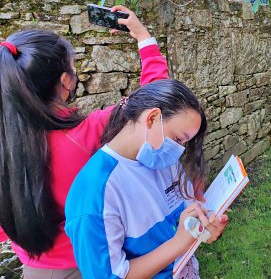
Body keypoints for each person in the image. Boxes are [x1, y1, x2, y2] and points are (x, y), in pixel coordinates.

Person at [0, 5, 168, 278]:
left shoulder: (6, 145)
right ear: (66, 81)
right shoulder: (90, 132)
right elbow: (156, 100)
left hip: (35, 270)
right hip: (91, 263)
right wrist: (142, 35)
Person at [65, 79, 228, 278]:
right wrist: (179, 243)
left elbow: (187, 208)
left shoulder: (164, 161)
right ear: (152, 118)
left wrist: (205, 225)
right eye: (178, 139)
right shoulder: (94, 193)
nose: (179, 151)